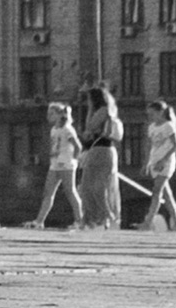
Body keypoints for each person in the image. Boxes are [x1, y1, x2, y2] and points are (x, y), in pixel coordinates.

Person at [77, 84, 125, 231]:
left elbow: (90, 126)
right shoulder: (106, 110)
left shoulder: (103, 111)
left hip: (102, 151)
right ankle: (91, 218)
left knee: (97, 187)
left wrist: (90, 109)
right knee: (87, 186)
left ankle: (105, 216)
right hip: (98, 150)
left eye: (89, 99)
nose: (87, 101)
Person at [139, 97, 176, 230]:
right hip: (155, 163)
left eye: (152, 113)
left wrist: (163, 159)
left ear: (160, 112)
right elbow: (151, 146)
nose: (150, 116)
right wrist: (146, 163)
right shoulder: (151, 127)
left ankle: (148, 222)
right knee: (166, 195)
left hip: (165, 163)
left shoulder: (169, 126)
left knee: (156, 191)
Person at [32, 105, 83, 229]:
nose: (48, 116)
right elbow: (54, 146)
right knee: (48, 192)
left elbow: (78, 147)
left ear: (59, 114)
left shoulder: (68, 129)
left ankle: (79, 220)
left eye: (52, 114)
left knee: (70, 191)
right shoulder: (53, 130)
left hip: (66, 164)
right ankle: (39, 221)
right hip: (54, 164)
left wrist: (74, 160)